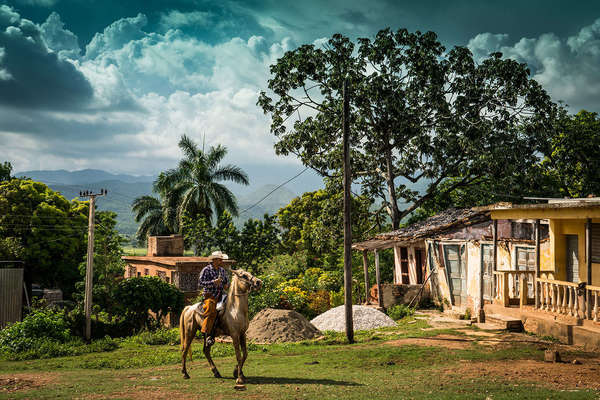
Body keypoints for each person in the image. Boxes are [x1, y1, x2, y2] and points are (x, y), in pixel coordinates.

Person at [197, 251, 229, 346]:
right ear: (214, 260)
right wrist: (213, 282)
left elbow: (226, 282)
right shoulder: (206, 270)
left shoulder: (222, 270)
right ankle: (208, 335)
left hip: (221, 295)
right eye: (220, 259)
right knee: (211, 312)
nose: (221, 261)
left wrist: (226, 285)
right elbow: (200, 283)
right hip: (210, 295)